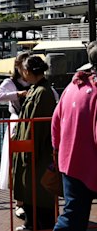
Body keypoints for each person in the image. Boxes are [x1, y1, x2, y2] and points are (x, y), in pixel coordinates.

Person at [52, 41, 97, 231]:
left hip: (69, 160)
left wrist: (56, 151)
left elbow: (55, 121)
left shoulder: (73, 86)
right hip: (90, 160)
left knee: (72, 215)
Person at [12, 55, 56, 231]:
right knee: (28, 189)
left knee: (38, 190)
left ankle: (39, 225)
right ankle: (30, 223)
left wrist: (30, 152)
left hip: (36, 152)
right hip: (28, 149)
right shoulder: (36, 89)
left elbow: (37, 127)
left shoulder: (42, 92)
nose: (22, 73)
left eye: (24, 69)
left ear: (30, 71)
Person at [0, 52, 30, 220]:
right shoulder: (11, 82)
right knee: (16, 163)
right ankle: (19, 202)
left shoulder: (35, 81)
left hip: (32, 125)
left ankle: (30, 200)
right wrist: (18, 94)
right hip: (17, 124)